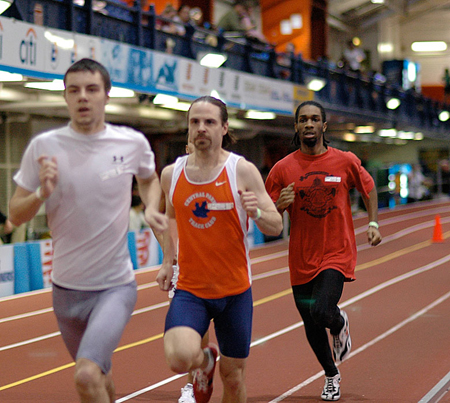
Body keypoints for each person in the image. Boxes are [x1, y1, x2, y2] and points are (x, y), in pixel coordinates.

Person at [8, 58, 168, 403]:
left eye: (92, 89)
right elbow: (15, 214)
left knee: (85, 375)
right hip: (65, 291)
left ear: (107, 96)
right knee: (100, 374)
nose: (83, 97)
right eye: (74, 90)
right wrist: (41, 193)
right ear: (65, 97)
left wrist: (152, 206)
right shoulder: (44, 147)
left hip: (114, 286)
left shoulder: (131, 143)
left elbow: (149, 178)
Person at [156, 96, 283, 403]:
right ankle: (205, 363)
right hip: (191, 289)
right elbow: (169, 215)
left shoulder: (242, 171)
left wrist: (257, 214)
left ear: (224, 127)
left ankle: (215, 367)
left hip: (235, 292)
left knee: (234, 378)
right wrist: (167, 257)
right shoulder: (171, 175)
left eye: (210, 122)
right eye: (195, 122)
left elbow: (276, 225)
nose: (201, 128)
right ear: (188, 128)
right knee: (179, 358)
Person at [265, 100, 382, 401]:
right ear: (296, 126)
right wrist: (279, 205)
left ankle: (340, 322)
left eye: (315, 119)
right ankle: (331, 375)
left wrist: (373, 223)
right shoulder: (282, 169)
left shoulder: (344, 161)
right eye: (303, 119)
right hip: (301, 257)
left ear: (324, 126)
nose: (308, 124)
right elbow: (266, 217)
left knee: (322, 311)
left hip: (336, 253)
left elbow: (369, 189)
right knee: (311, 322)